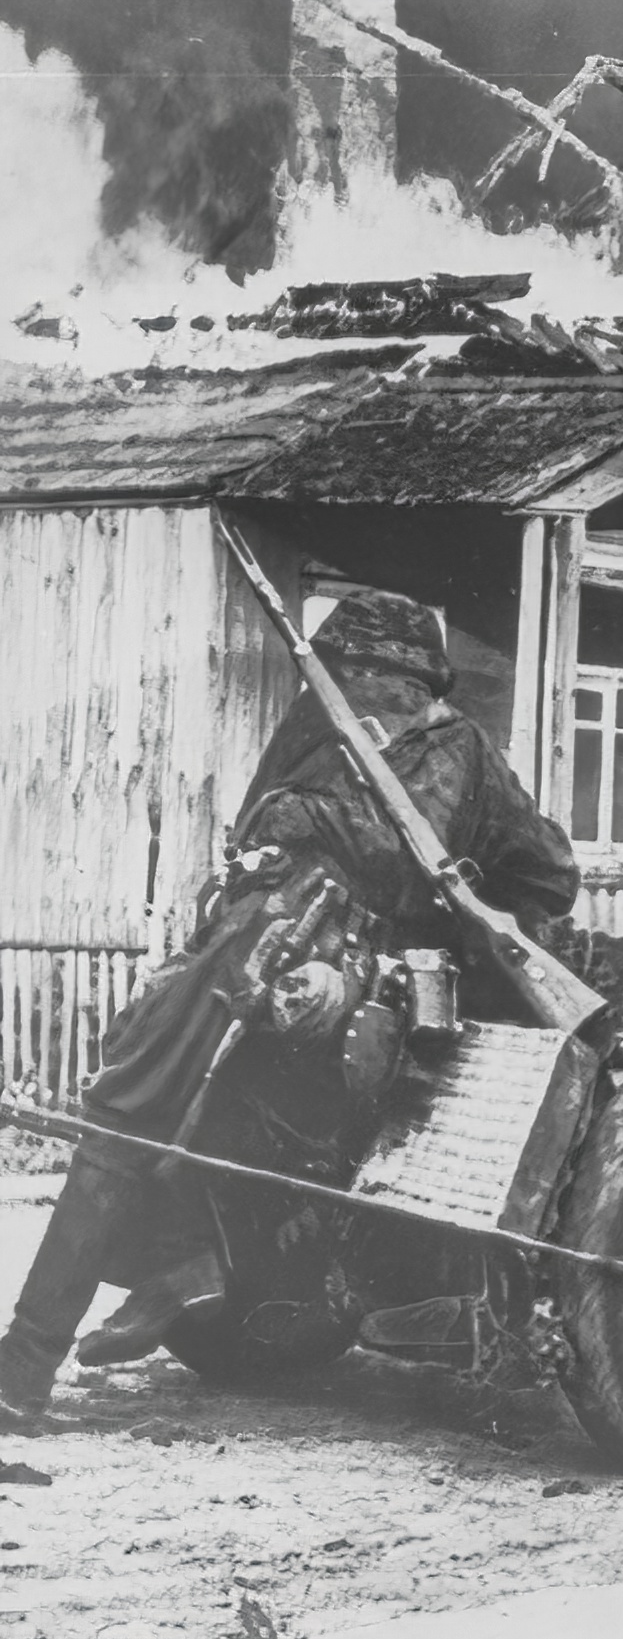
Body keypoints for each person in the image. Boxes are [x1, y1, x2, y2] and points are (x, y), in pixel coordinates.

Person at [0, 590, 580, 1430]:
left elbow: (538, 875)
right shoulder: (345, 732)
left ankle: (38, 1358)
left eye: (374, 680)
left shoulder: (452, 752)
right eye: (359, 680)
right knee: (134, 1126)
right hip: (259, 949)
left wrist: (466, 916)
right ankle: (169, 1284)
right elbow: (264, 831)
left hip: (333, 976)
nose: (369, 698)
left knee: (126, 1128)